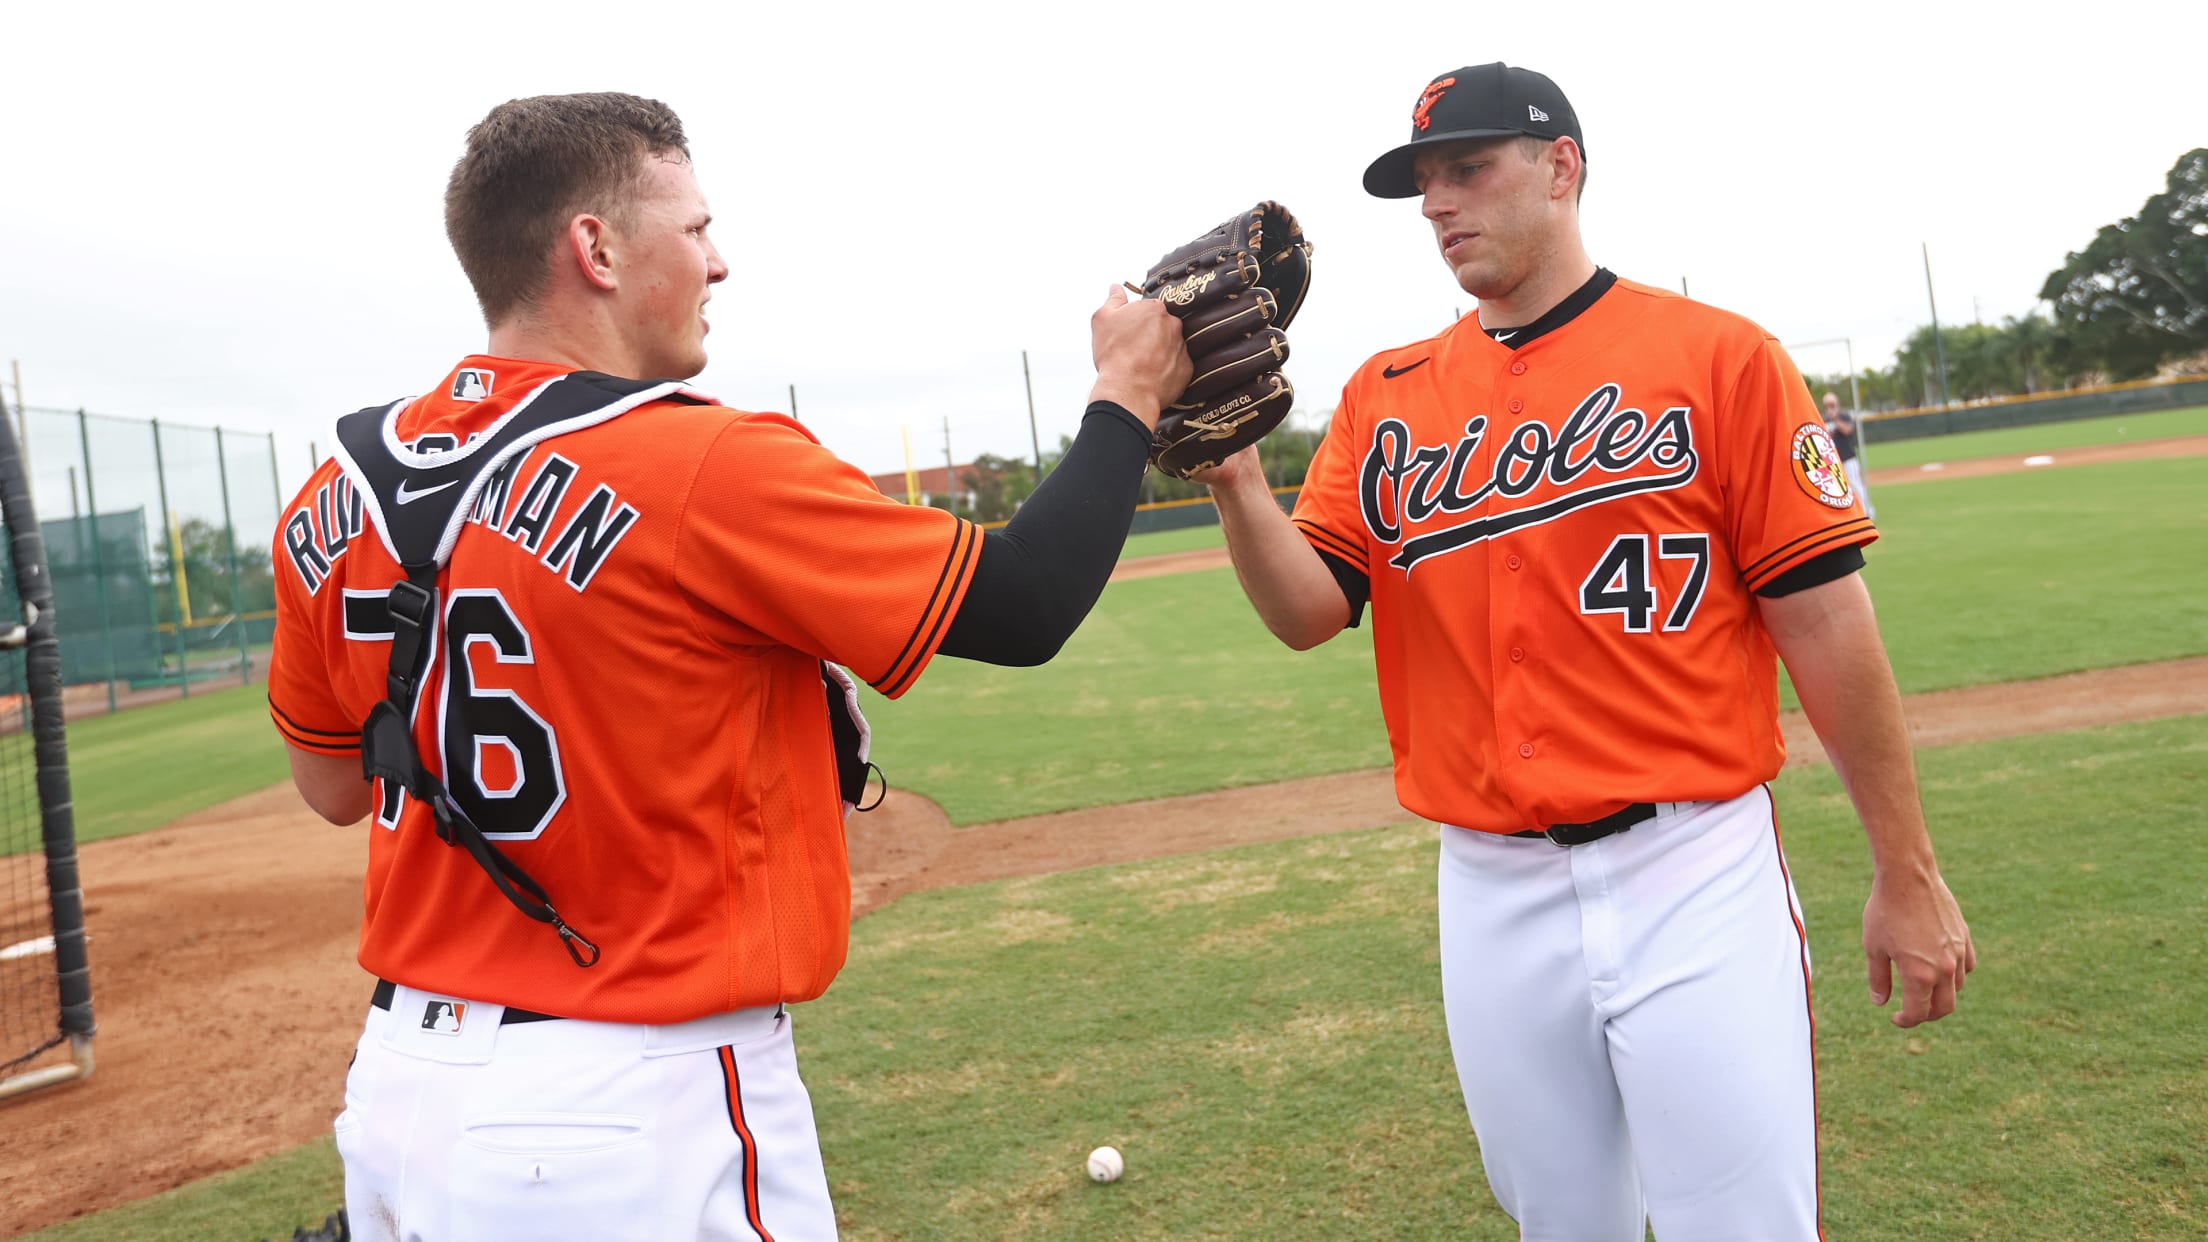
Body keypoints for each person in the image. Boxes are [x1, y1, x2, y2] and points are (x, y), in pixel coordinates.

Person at [267, 92, 1189, 1241]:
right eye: (695, 230)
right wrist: (1127, 396)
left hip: (401, 1092)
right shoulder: (701, 461)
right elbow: (1026, 603)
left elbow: (335, 787)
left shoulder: (333, 490)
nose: (720, 262)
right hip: (631, 1108)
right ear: (595, 250)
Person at [1194, 63, 1973, 1239]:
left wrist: (1905, 872)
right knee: (1562, 1225)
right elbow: (1310, 609)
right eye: (1422, 182)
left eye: (1469, 167)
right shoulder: (1386, 395)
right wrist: (1236, 478)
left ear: (1562, 167)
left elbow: (1825, 625)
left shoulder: (1719, 358)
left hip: (1694, 869)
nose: (1438, 203)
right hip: (1490, 886)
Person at [1823, 390, 1876, 518]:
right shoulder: (1823, 419)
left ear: (1837, 404)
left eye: (1832, 405)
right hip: (1833, 461)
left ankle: (1867, 511)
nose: (1830, 408)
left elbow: (1848, 430)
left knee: (1856, 484)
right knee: (1838, 488)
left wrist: (1835, 419)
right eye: (1827, 405)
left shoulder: (1844, 416)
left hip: (1849, 458)